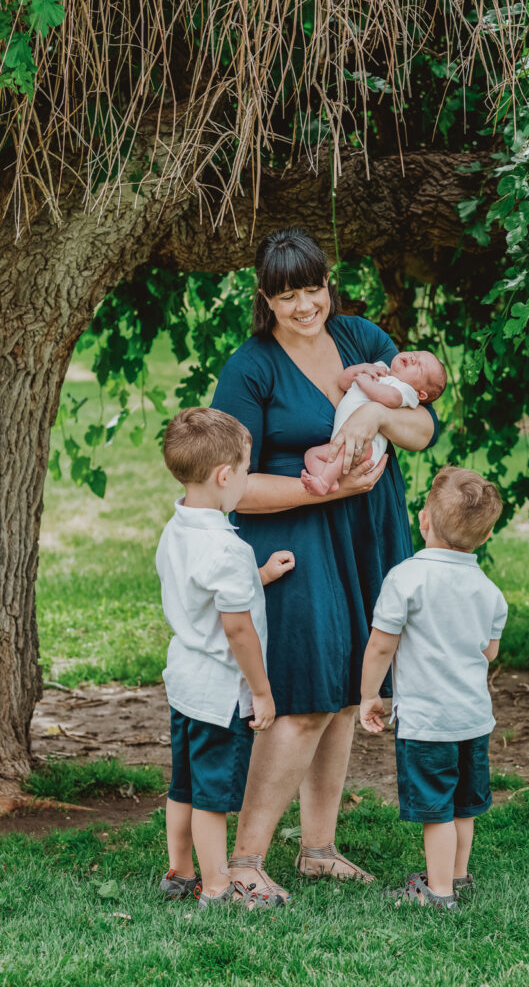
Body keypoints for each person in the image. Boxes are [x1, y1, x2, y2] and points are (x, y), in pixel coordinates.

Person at [210, 227, 439, 901]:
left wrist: (371, 418)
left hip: (370, 529)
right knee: (305, 697)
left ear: (326, 283)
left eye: (313, 289)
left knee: (344, 693)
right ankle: (246, 861)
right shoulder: (250, 367)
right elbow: (229, 485)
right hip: (295, 531)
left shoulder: (364, 338)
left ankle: (318, 848)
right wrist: (331, 485)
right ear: (265, 298)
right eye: (288, 295)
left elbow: (422, 428)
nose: (305, 305)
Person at [156, 407, 294, 909]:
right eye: (247, 470)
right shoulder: (225, 549)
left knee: (184, 785)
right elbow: (236, 627)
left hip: (184, 681)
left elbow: (206, 595)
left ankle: (179, 871)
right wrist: (261, 689)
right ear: (224, 476)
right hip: (218, 691)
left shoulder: (177, 529)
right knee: (213, 796)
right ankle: (216, 886)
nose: (247, 479)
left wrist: (259, 577)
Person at [359, 466, 507, 910]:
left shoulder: (406, 579)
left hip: (428, 723)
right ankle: (458, 876)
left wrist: (370, 695)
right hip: (473, 718)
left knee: (437, 810)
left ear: (423, 520)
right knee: (464, 805)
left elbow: (381, 646)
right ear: (484, 537)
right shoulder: (489, 591)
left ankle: (437, 891)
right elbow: (489, 653)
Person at [301, 351, 447, 496]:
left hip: (365, 444)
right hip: (344, 441)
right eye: (416, 354)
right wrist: (362, 369)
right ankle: (329, 481)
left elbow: (390, 398)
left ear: (421, 394)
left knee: (341, 454)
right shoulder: (379, 368)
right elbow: (343, 383)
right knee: (311, 455)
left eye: (420, 367)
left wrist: (366, 383)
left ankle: (324, 481)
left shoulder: (406, 391)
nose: (413, 359)